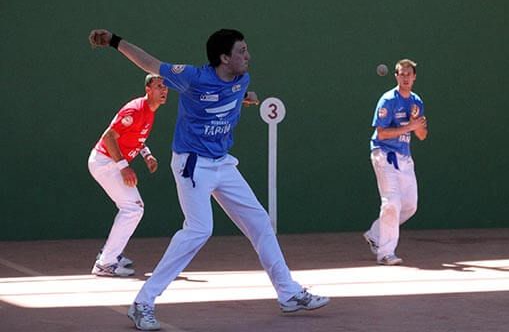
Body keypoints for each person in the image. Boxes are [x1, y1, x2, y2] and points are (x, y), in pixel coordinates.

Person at [88, 28, 330, 331]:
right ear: (224, 57)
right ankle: (143, 303)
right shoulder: (192, 77)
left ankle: (289, 293)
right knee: (199, 229)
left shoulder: (242, 80)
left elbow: (229, 95)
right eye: (242, 51)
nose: (248, 56)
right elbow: (151, 63)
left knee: (259, 221)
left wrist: (245, 98)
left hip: (223, 163)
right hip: (192, 164)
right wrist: (113, 41)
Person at [88, 74, 168, 277]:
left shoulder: (150, 111)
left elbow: (136, 137)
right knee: (133, 208)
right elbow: (108, 137)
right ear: (148, 90)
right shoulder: (135, 109)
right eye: (159, 86)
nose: (164, 90)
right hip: (105, 163)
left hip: (112, 163)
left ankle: (109, 254)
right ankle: (105, 263)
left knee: (132, 208)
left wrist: (147, 156)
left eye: (165, 87)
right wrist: (124, 167)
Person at [363, 59, 428, 266]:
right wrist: (408, 127)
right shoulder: (387, 100)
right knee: (392, 202)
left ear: (415, 77)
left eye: (409, 74)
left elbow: (422, 135)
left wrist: (416, 126)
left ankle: (375, 234)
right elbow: (381, 133)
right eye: (402, 74)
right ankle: (385, 253)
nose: (406, 77)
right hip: (384, 154)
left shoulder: (417, 101)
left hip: (404, 158)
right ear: (396, 76)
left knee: (409, 205)